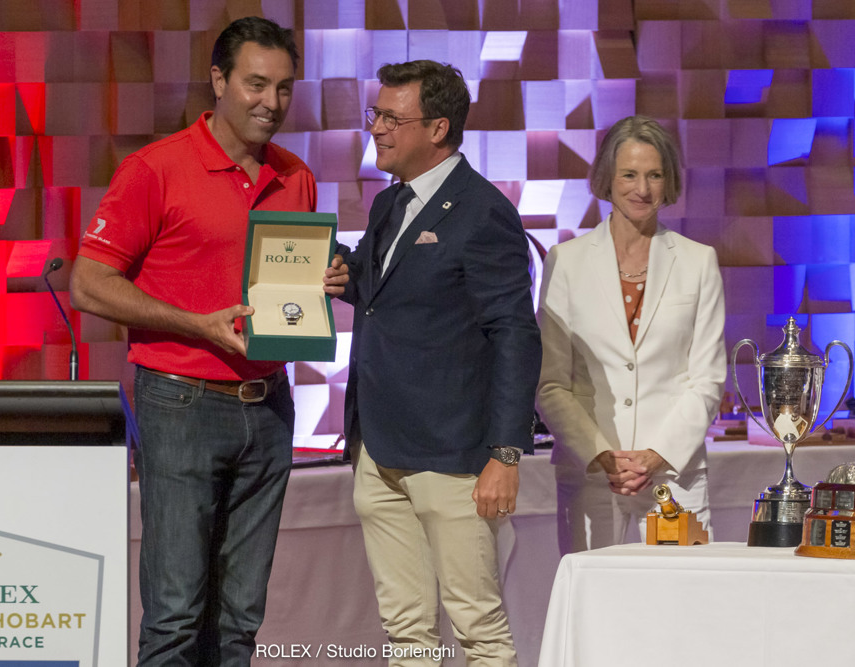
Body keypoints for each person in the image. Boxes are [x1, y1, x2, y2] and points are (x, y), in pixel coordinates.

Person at [70, 17, 348, 666]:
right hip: (182, 402)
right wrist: (197, 324)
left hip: (272, 406)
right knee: (174, 614)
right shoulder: (155, 169)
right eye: (255, 84)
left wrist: (322, 279)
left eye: (283, 88)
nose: (270, 103)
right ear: (219, 81)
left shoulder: (297, 177)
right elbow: (89, 283)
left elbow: (283, 285)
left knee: (240, 619)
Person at [329, 60, 541, 664]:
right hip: (379, 448)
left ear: (439, 128)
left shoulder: (483, 211)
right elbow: (382, 292)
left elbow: (514, 335)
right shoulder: (389, 205)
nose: (378, 129)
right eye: (376, 115)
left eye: (393, 118)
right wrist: (340, 276)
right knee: (406, 632)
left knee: (478, 629)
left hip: (453, 457)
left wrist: (505, 452)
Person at [536, 115, 726, 554]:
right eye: (629, 174)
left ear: (669, 181)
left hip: (674, 480)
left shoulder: (699, 262)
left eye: (654, 175)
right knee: (597, 610)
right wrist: (603, 455)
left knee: (680, 609)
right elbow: (550, 383)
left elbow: (708, 380)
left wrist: (655, 455)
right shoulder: (565, 262)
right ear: (607, 177)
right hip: (591, 478)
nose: (642, 188)